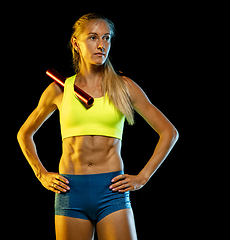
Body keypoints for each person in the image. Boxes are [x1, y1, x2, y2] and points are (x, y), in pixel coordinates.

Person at [17, 13, 179, 240]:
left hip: (111, 190)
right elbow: (24, 133)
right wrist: (41, 174)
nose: (101, 45)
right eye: (93, 37)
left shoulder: (124, 87)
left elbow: (169, 132)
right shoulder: (59, 90)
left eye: (106, 38)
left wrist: (143, 177)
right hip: (70, 190)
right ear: (76, 43)